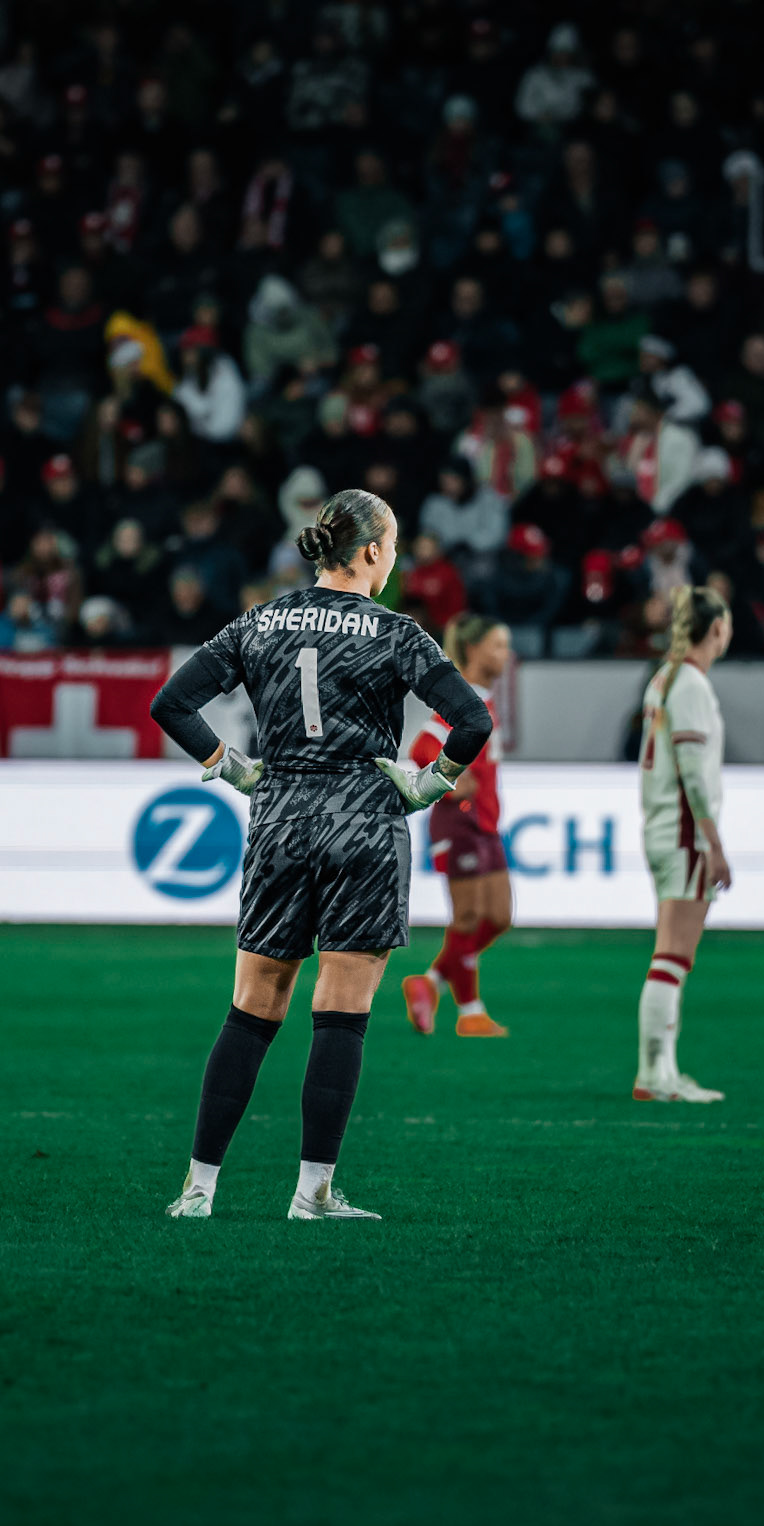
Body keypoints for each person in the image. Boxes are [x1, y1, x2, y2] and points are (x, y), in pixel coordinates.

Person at [149, 487, 492, 1222]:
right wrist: (432, 784)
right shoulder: (396, 633)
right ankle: (313, 1194)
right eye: (392, 545)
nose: (394, 558)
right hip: (363, 822)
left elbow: (171, 704)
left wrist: (231, 766)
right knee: (341, 1013)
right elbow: (473, 718)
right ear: (369, 551)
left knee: (251, 1009)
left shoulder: (260, 620)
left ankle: (198, 1189)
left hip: (278, 818)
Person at [634, 584, 733, 1104]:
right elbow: (693, 775)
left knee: (669, 955)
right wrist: (714, 844)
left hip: (661, 827)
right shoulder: (691, 683)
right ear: (716, 628)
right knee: (673, 956)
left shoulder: (663, 679)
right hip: (684, 832)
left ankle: (663, 1071)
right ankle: (655, 1075)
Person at [400, 615, 512, 1039]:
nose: (505, 655)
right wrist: (446, 777)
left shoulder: (484, 698)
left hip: (485, 822)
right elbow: (424, 742)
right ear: (475, 650)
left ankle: (428, 983)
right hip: (458, 820)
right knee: (467, 917)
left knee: (499, 917)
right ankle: (471, 1012)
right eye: (498, 646)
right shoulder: (462, 697)